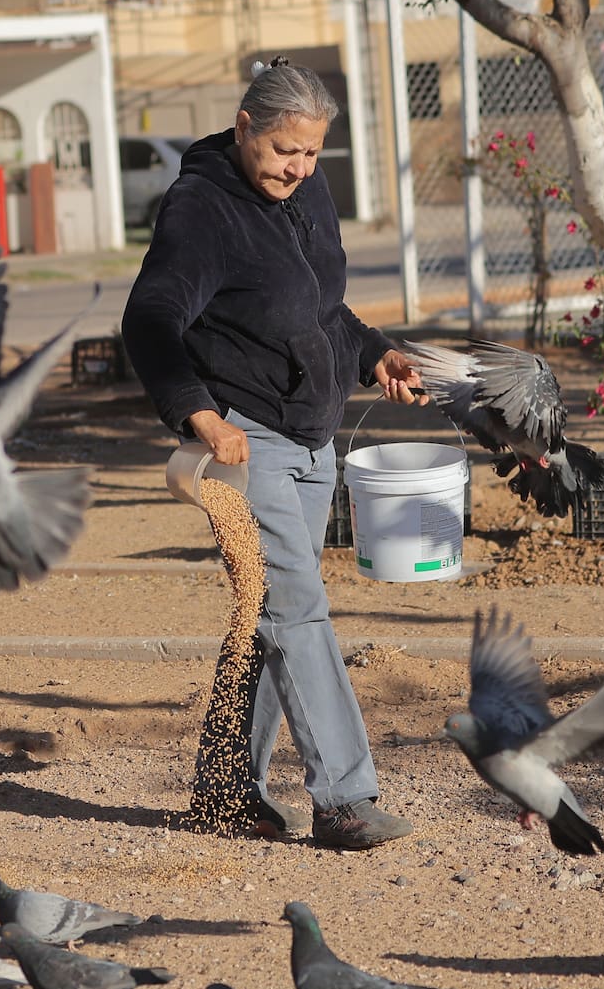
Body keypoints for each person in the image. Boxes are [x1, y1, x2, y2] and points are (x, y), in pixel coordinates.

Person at [122, 57, 425, 851]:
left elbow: (321, 307)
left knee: (268, 618)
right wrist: (196, 415)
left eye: (312, 154)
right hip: (241, 443)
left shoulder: (305, 191)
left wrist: (374, 355)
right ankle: (346, 799)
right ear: (245, 125)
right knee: (296, 606)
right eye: (285, 150)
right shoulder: (201, 210)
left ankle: (227, 792)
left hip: (312, 440)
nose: (298, 167)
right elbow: (150, 320)